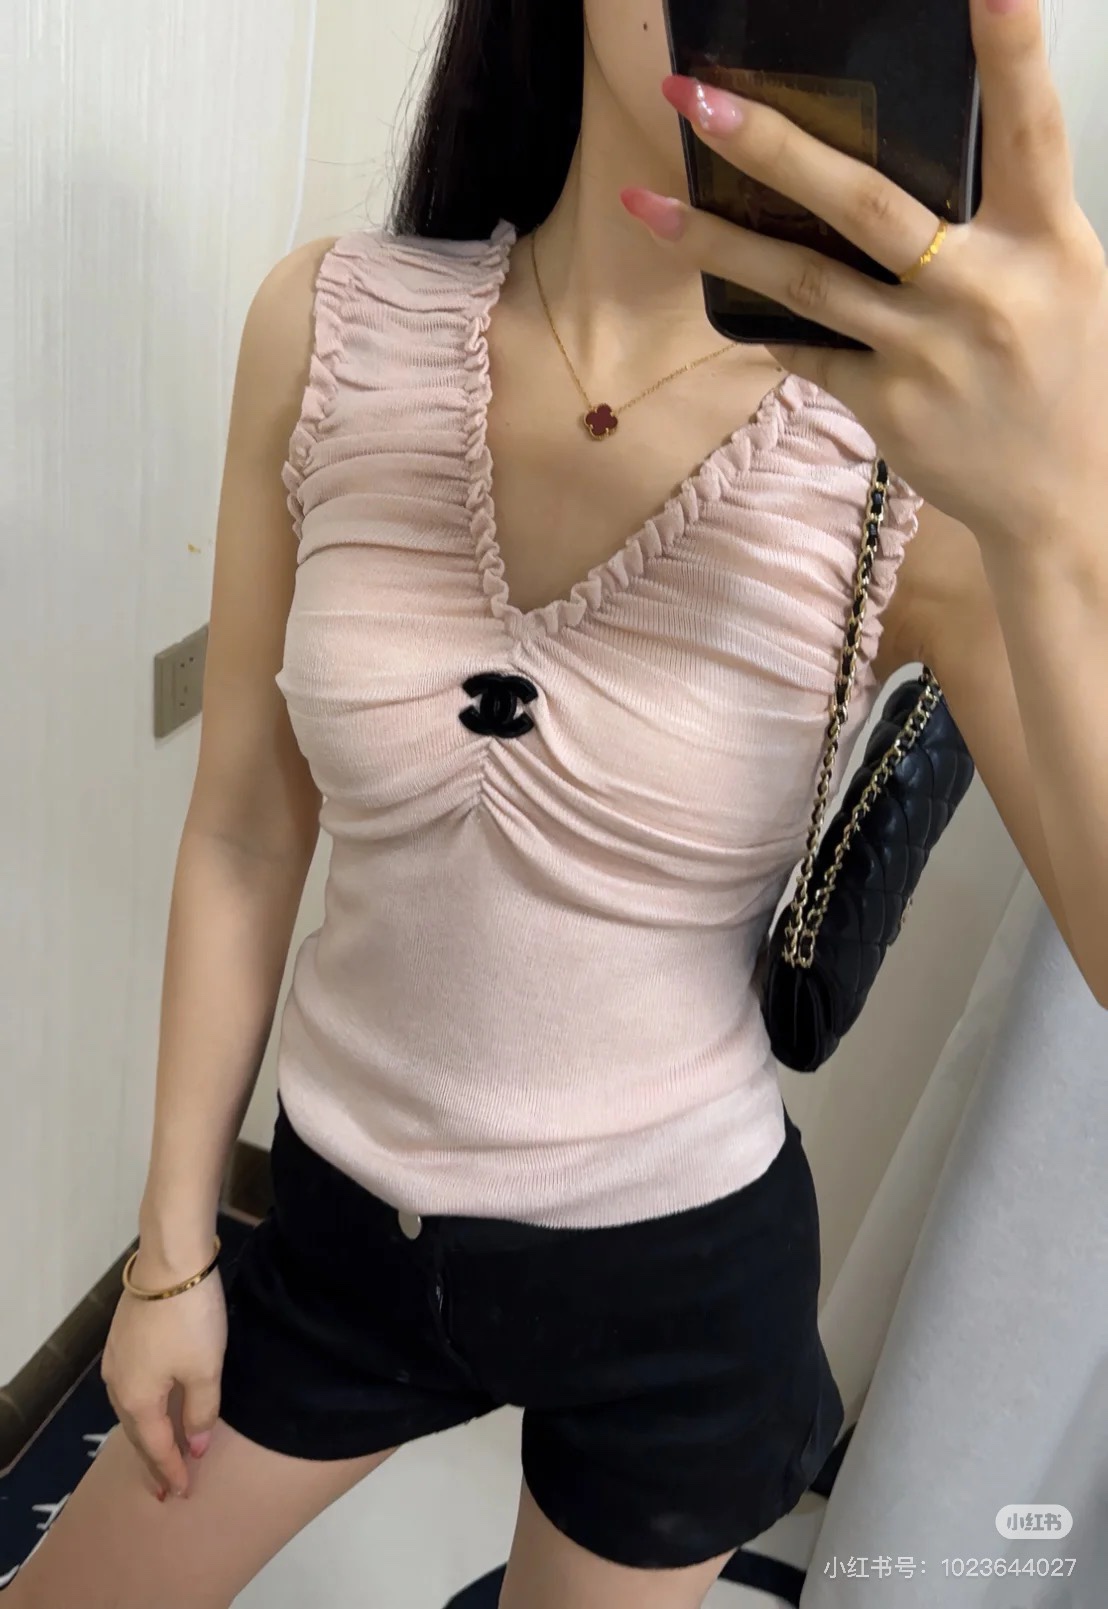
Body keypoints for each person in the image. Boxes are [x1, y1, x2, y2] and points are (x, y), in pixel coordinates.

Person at [12, 1, 1108, 1606]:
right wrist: (172, 1247)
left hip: (679, 1288)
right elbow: (245, 825)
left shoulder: (906, 456)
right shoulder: (326, 324)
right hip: (337, 1239)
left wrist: (1065, 519)